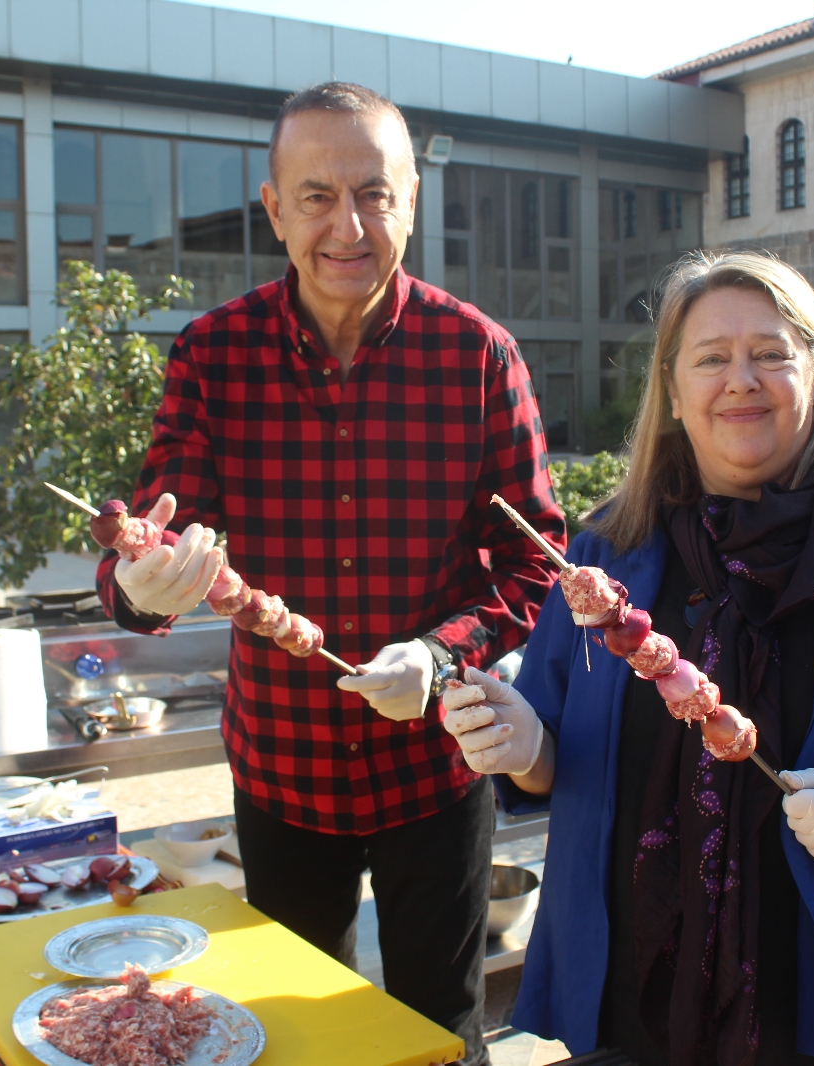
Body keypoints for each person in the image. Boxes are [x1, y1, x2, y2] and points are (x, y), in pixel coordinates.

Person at [441, 251, 814, 1066]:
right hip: (639, 986)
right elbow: (550, 755)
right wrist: (521, 742)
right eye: (711, 358)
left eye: (771, 354)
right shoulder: (610, 554)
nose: (740, 380)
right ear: (674, 392)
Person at [94, 82, 566, 1065]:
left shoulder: (478, 356)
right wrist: (140, 582)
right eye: (315, 196)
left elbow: (533, 560)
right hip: (284, 765)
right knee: (292, 1027)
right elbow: (161, 525)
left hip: (434, 768)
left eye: (373, 194)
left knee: (439, 1030)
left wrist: (438, 657)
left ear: (410, 202)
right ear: (273, 207)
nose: (346, 226)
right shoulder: (212, 356)